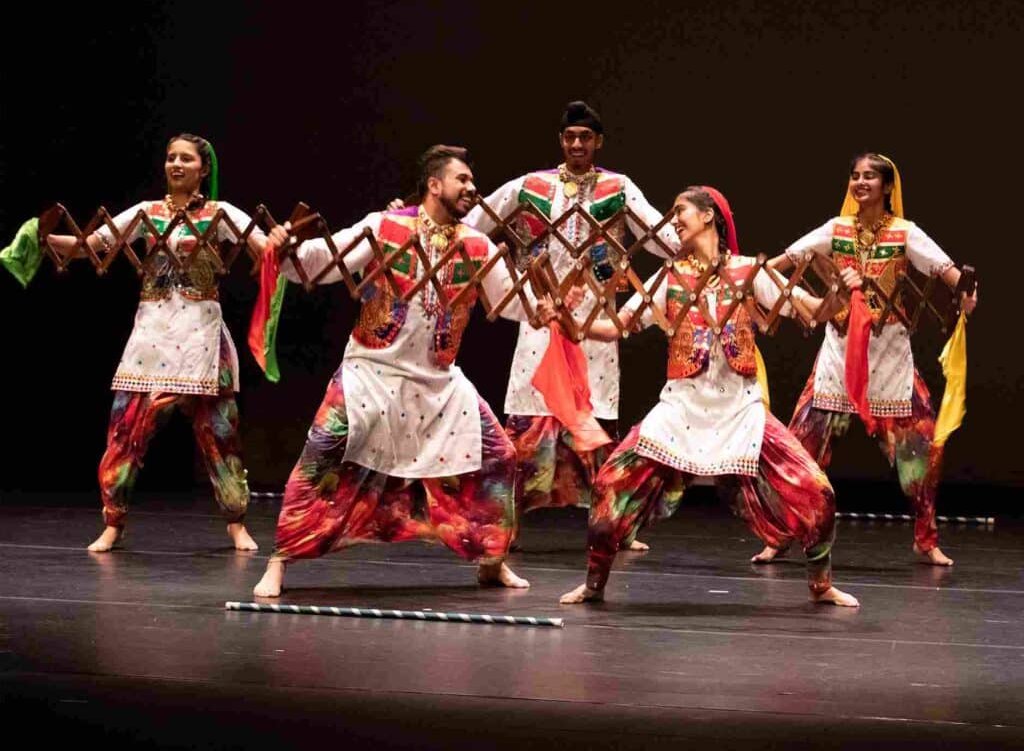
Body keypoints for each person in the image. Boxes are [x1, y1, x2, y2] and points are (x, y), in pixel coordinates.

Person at [253, 145, 555, 598]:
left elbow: (509, 300)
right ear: (435, 185)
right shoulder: (385, 227)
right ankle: (279, 559)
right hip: (370, 371)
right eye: (463, 180)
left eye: (473, 182)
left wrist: (538, 310)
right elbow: (322, 260)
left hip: (437, 380)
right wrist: (288, 249)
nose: (472, 189)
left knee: (500, 456)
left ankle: (492, 561)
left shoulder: (477, 245)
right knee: (322, 454)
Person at [559, 186, 859, 607]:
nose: (673, 220)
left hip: (741, 409)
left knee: (818, 492)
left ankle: (820, 584)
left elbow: (811, 311)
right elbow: (619, 325)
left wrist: (840, 296)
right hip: (679, 407)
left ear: (708, 215)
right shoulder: (669, 277)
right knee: (609, 486)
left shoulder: (749, 274)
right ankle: (593, 585)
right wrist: (573, 322)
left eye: (679, 211)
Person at [461, 101, 679, 550]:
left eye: (585, 137)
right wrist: (420, 225)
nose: (577, 144)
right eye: (569, 137)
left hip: (596, 320)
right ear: (561, 141)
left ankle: (611, 524)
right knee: (531, 418)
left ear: (599, 142)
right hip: (541, 315)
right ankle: (511, 523)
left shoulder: (619, 188)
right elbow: (472, 226)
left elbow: (661, 237)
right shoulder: (531, 186)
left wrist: (693, 240)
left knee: (594, 414)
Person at [39, 133, 266, 552]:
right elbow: (94, 246)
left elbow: (266, 250)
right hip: (152, 337)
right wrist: (45, 239)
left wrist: (283, 244)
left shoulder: (221, 213)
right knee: (125, 432)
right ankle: (113, 522)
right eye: (170, 158)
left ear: (204, 168)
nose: (176, 164)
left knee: (220, 435)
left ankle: (236, 523)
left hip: (203, 336)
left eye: (185, 158)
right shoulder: (146, 214)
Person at [751, 154, 977, 568]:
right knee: (800, 451)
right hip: (839, 353)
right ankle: (781, 534)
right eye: (855, 176)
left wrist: (965, 293)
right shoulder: (834, 229)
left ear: (888, 186)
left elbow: (945, 269)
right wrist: (754, 278)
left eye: (869, 176)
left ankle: (925, 540)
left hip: (889, 355)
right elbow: (785, 261)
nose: (860, 182)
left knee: (920, 453)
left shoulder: (905, 232)